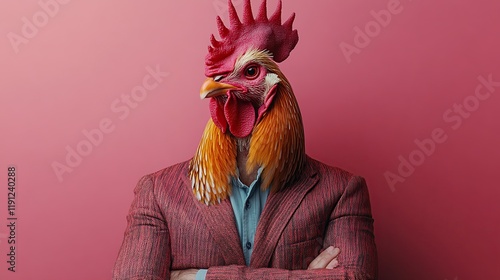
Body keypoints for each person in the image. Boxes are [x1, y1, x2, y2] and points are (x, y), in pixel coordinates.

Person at [113, 1, 377, 279]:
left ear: (272, 89)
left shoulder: (342, 191)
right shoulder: (158, 193)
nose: (217, 82)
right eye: (220, 76)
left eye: (249, 73)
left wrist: (198, 277)